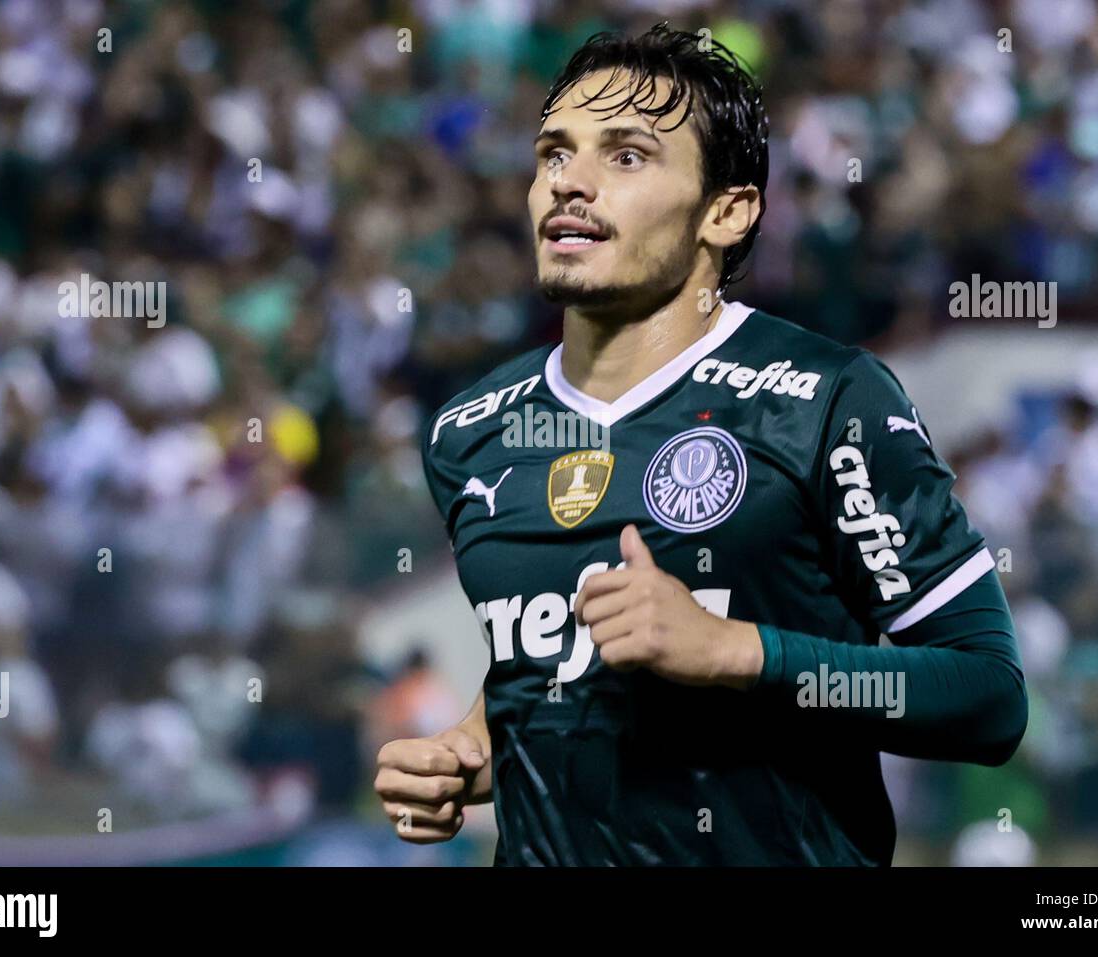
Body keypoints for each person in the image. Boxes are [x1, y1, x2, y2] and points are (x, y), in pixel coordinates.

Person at [374, 24, 1027, 866]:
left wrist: (736, 651)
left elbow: (988, 696)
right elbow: (551, 681)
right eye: (553, 153)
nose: (569, 181)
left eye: (627, 156)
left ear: (728, 211)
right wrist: (469, 753)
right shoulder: (472, 431)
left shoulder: (827, 399)